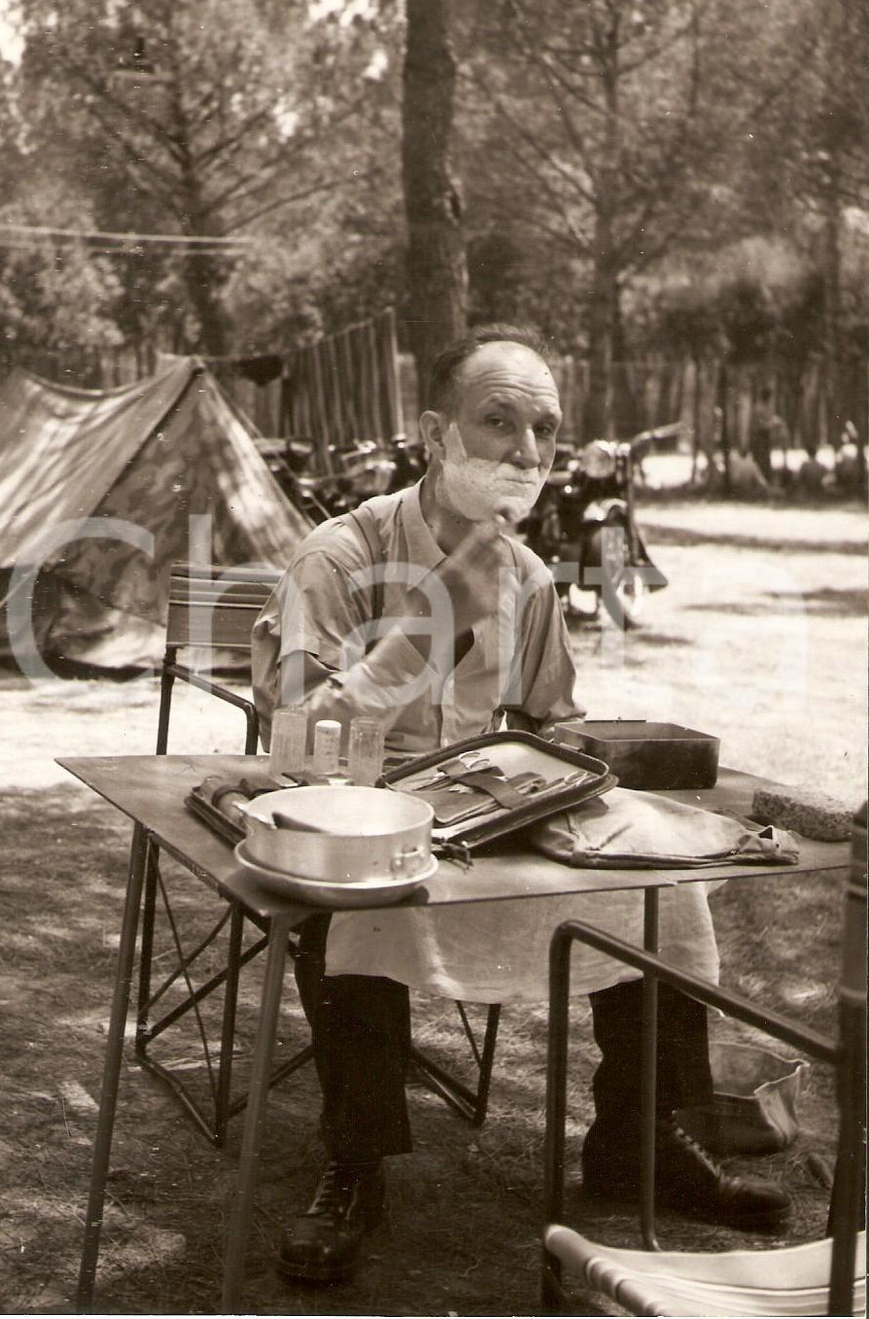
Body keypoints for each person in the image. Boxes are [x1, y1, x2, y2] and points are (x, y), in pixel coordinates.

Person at [251, 325, 791, 1285]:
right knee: (357, 890)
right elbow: (295, 740)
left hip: (484, 818)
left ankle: (643, 1138)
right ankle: (355, 1161)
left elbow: (549, 719)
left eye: (544, 429)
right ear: (433, 432)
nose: (526, 452)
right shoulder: (339, 555)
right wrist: (431, 625)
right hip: (359, 818)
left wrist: (567, 767)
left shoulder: (532, 579)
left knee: (665, 876)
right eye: (497, 421)